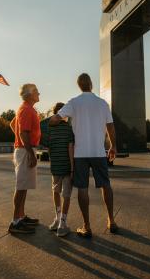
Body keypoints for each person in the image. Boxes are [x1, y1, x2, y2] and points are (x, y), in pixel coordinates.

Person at [49, 73, 117, 238]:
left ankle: (86, 226)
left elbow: (55, 119)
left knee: (82, 188)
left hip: (80, 153)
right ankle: (111, 220)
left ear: (79, 85)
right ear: (91, 84)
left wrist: (53, 122)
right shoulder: (102, 103)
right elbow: (110, 126)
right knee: (105, 185)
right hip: (98, 151)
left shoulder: (74, 102)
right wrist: (113, 146)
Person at [8, 83, 41, 234]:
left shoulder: (26, 109)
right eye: (36, 91)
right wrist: (28, 151)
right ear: (29, 94)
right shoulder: (27, 109)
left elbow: (13, 124)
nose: (39, 93)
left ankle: (20, 217)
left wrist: (19, 142)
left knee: (24, 185)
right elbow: (23, 132)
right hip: (25, 150)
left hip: (24, 149)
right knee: (21, 186)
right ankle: (15, 222)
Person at [42, 102, 74, 237]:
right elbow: (70, 148)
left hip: (55, 166)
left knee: (56, 192)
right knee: (66, 195)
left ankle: (57, 217)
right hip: (67, 167)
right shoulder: (68, 128)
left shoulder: (49, 129)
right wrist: (73, 168)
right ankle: (62, 222)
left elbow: (47, 145)